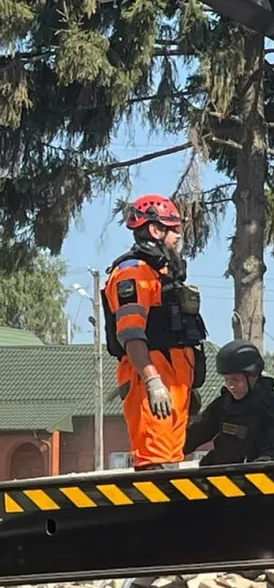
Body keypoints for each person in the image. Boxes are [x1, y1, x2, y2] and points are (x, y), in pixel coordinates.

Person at [102, 194, 207, 471]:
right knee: (156, 464)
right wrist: (153, 383)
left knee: (170, 462)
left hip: (174, 386)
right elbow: (131, 335)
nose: (178, 238)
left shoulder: (159, 274)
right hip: (151, 384)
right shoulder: (133, 273)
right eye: (174, 230)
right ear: (155, 230)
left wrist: (186, 387)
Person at [185, 340, 274, 465]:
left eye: (235, 379)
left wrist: (257, 468)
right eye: (227, 380)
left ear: (253, 376)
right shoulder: (223, 404)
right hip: (220, 477)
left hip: (259, 479)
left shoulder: (273, 406)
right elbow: (197, 433)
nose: (231, 386)